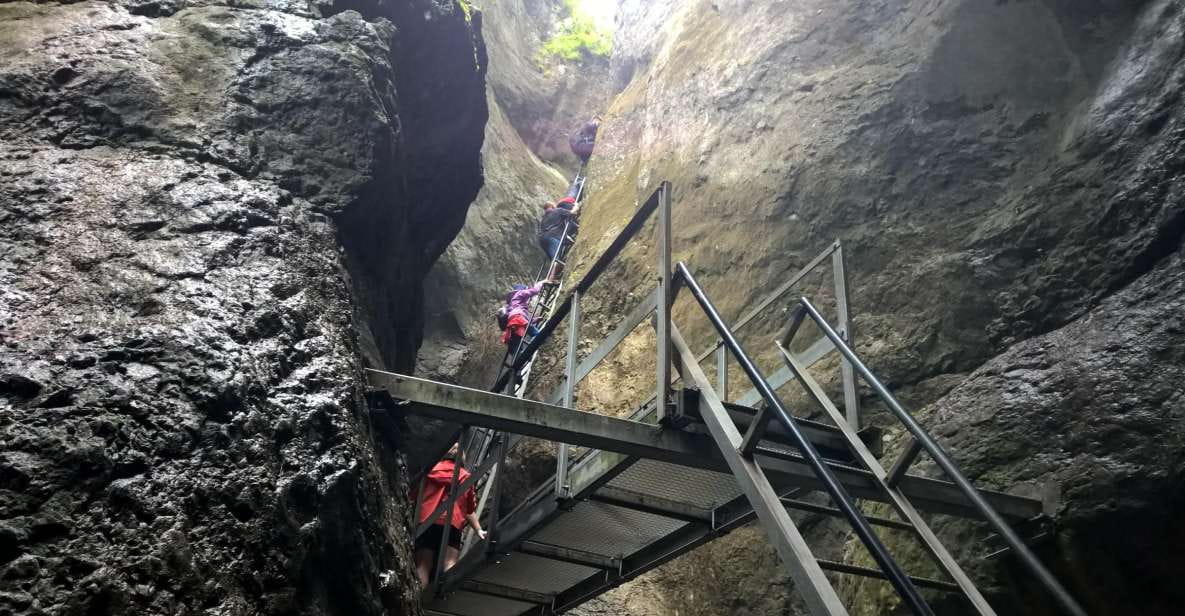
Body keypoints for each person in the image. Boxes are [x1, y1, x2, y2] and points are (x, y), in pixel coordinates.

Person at [414, 442, 486, 587]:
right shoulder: (465, 477)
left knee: (424, 564)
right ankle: (446, 594)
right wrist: (478, 529)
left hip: (428, 522)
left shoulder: (431, 470)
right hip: (452, 523)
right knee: (450, 562)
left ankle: (418, 597)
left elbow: (414, 495)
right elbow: (469, 509)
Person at [501, 281, 552, 348]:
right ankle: (546, 340)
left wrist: (534, 320)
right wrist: (541, 283)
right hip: (519, 317)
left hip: (513, 322)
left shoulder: (511, 304)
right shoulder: (519, 293)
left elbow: (523, 319)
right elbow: (534, 291)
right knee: (532, 331)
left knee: (518, 341)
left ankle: (521, 352)